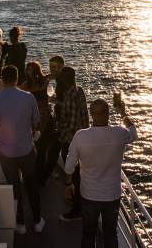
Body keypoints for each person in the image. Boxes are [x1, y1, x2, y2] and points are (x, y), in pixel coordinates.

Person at [64, 98, 137, 248]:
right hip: (112, 195)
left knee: (88, 234)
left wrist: (68, 185)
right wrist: (122, 112)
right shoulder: (119, 133)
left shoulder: (80, 136)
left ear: (91, 114)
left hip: (89, 194)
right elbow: (133, 133)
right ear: (108, 114)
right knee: (110, 234)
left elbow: (69, 166)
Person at [0, 65, 44, 234]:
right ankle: (38, 221)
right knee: (31, 185)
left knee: (14, 186)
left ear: (2, 79)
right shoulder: (29, 97)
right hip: (27, 150)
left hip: (6, 153)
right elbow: (36, 121)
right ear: (17, 79)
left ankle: (20, 223)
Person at [55, 66, 90, 221]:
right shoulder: (79, 91)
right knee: (79, 174)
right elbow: (83, 116)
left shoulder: (68, 98)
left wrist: (58, 126)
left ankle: (77, 209)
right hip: (83, 139)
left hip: (70, 142)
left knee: (73, 175)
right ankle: (77, 200)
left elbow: (70, 124)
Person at [20, 62, 57, 185]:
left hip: (45, 116)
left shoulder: (44, 80)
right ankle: (35, 171)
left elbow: (55, 75)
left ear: (37, 70)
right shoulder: (26, 85)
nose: (28, 72)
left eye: (31, 70)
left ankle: (42, 172)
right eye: (27, 70)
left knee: (43, 145)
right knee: (36, 144)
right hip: (34, 117)